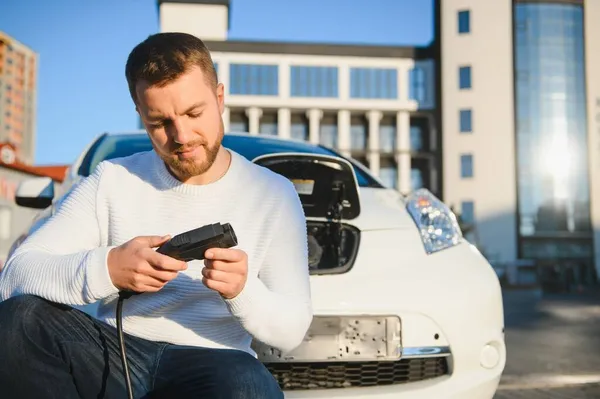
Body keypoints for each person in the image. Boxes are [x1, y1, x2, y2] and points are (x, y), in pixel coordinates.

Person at [0, 32, 313, 398]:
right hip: (115, 355)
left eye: (194, 113)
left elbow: (292, 330)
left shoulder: (274, 193)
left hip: (216, 366)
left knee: (246, 382)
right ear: (140, 115)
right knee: (19, 322)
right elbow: (14, 276)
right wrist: (109, 268)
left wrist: (244, 290)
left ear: (220, 98)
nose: (181, 136)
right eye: (159, 123)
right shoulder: (111, 180)